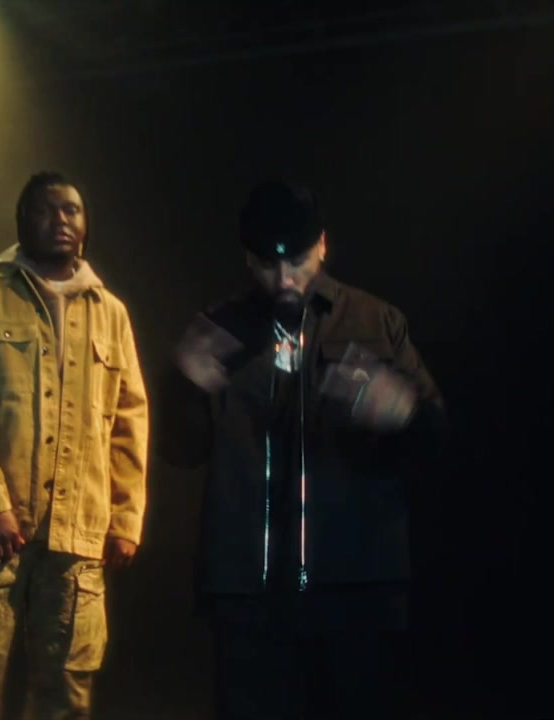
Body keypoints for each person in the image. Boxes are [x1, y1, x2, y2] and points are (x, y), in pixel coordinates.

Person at [157, 179, 449, 719]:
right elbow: (179, 451)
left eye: (297, 260)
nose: (285, 278)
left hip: (355, 594)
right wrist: (185, 388)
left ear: (323, 245)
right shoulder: (219, 329)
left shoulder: (376, 322)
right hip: (248, 597)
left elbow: (436, 442)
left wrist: (402, 412)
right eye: (268, 264)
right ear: (248, 259)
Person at [0, 171, 149, 720]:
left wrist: (124, 519)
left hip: (78, 535)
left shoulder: (110, 312)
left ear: (86, 224)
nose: (60, 220)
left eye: (72, 210)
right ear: (21, 220)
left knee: (65, 696)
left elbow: (129, 419)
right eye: (45, 210)